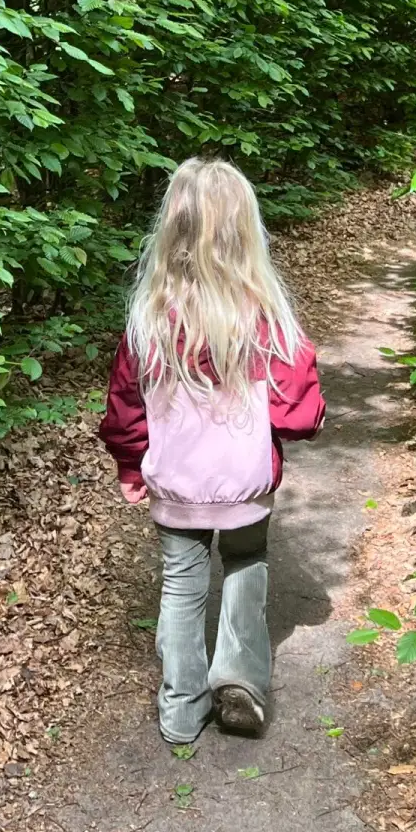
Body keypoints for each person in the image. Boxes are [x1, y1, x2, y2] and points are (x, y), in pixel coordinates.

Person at [100, 157, 326, 742]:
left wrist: (130, 464)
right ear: (245, 230)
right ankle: (240, 679)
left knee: (181, 583)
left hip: (176, 484)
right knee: (246, 563)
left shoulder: (148, 321)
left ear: (171, 228)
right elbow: (300, 416)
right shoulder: (266, 319)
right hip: (247, 483)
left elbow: (125, 408)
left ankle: (180, 709)